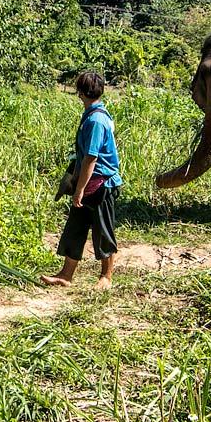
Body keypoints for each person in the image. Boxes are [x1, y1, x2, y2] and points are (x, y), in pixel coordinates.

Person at [42, 70, 122, 288]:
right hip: (87, 183)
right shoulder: (93, 115)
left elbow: (91, 158)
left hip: (100, 185)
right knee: (75, 229)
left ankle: (106, 276)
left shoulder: (96, 120)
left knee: (103, 231)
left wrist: (79, 189)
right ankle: (66, 275)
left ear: (80, 93)